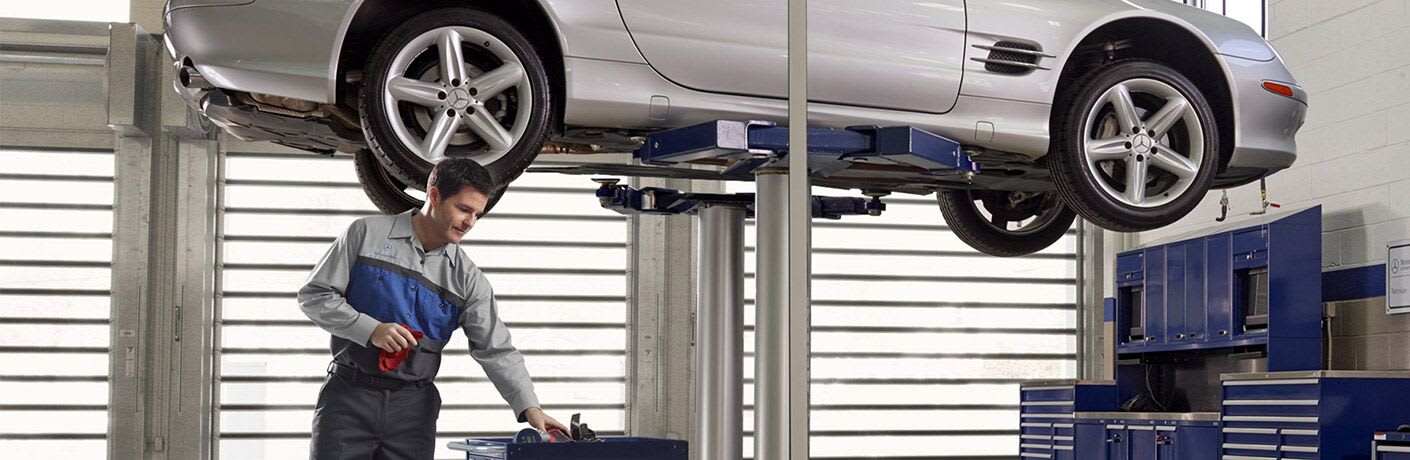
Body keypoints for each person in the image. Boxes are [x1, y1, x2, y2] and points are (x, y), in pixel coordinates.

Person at [297, 157, 567, 459]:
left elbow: (496, 349)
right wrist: (370, 330)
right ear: (434, 196)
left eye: (477, 214)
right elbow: (315, 295)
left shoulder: (468, 279)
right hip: (347, 399)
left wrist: (530, 407)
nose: (470, 222)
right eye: (464, 209)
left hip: (413, 411)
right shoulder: (364, 235)